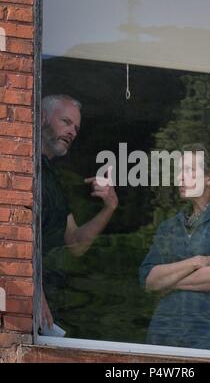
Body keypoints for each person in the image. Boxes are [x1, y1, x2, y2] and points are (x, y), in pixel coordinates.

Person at [139, 144, 210, 351]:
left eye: (189, 170)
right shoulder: (170, 226)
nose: (179, 178)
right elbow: (149, 280)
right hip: (163, 331)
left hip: (208, 332)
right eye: (179, 171)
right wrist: (196, 262)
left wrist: (169, 281)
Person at [41, 94, 118, 330]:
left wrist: (110, 206)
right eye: (66, 122)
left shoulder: (53, 178)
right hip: (24, 301)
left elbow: (75, 244)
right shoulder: (18, 166)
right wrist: (31, 290)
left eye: (76, 127)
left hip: (50, 305)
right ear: (41, 117)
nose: (72, 132)